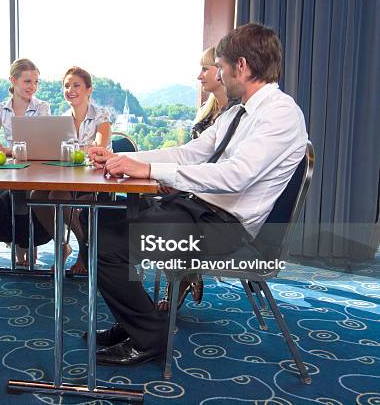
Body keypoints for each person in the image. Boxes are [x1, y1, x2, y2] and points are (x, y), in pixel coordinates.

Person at [84, 23, 308, 366]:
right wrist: (125, 160)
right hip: (197, 212)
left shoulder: (280, 113)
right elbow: (190, 153)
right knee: (99, 218)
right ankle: (138, 321)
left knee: (109, 242)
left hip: (225, 229)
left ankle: (150, 335)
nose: (219, 74)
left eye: (221, 66)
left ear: (242, 66)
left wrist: (148, 171)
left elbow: (236, 177)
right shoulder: (238, 112)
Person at [158, 46, 239, 311]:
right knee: (157, 208)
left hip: (211, 196)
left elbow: (224, 170)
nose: (199, 76)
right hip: (194, 186)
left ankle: (182, 277)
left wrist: (177, 179)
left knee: (161, 217)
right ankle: (182, 275)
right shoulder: (210, 111)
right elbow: (190, 153)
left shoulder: (241, 114)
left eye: (205, 68)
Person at [32, 66, 112, 274]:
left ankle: (84, 248)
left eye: (76, 85)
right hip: (69, 176)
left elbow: (99, 147)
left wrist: (75, 150)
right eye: (67, 86)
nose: (70, 89)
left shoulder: (101, 116)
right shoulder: (62, 119)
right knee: (36, 196)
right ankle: (62, 245)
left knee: (58, 195)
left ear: (89, 89)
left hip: (97, 178)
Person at [0, 58, 50, 266]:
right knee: (6, 195)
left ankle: (30, 244)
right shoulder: (0, 108)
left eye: (36, 82)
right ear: (13, 81)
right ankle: (17, 243)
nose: (32, 87)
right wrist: (5, 150)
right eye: (27, 82)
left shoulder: (42, 107)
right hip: (9, 165)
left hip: (35, 166)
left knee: (29, 194)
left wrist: (8, 150)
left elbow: (41, 144)